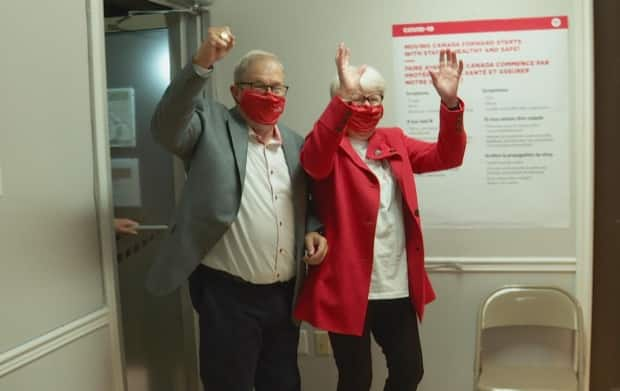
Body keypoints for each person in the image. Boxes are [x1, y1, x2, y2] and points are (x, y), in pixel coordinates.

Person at [145, 26, 328, 391]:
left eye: (277, 87)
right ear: (236, 91)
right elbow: (166, 128)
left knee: (283, 383)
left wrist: (314, 228)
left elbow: (305, 202)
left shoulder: (295, 143)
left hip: (283, 297)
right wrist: (201, 64)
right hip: (227, 298)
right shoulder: (209, 125)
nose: (269, 94)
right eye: (259, 85)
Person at [294, 43, 467, 391]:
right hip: (346, 285)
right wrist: (341, 100)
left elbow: (447, 156)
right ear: (341, 101)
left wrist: (450, 105)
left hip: (396, 284)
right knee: (356, 379)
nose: (370, 106)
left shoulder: (394, 140)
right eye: (359, 99)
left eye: (376, 98)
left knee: (409, 371)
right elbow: (312, 162)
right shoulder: (327, 144)